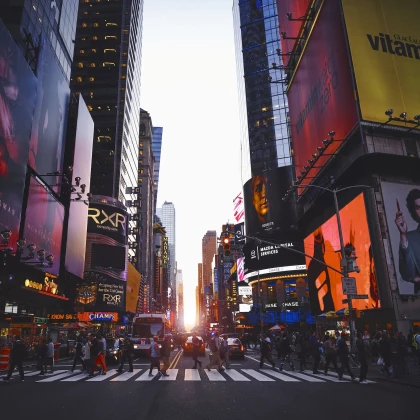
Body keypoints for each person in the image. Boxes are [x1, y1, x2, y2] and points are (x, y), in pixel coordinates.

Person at [395, 189, 420, 294]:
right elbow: (408, 275)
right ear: (413, 212)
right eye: (418, 208)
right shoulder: (410, 238)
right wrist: (403, 235)